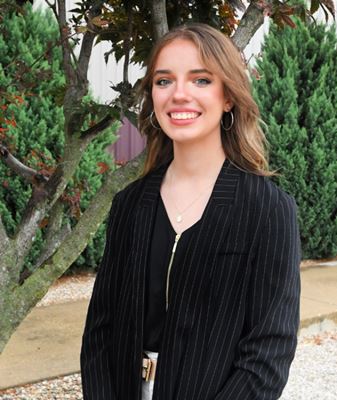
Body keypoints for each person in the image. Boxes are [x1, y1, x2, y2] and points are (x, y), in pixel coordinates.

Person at [80, 23, 301, 400]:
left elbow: (268, 352)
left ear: (228, 96)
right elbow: (100, 332)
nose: (179, 94)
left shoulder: (268, 209)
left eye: (200, 80)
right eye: (164, 81)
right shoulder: (130, 204)